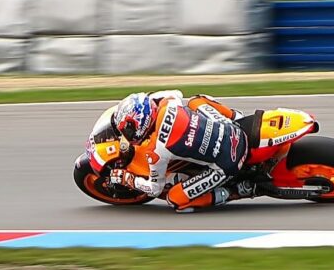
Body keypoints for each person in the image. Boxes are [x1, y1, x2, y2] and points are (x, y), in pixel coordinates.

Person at [108, 90, 256, 213]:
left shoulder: (155, 150)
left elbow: (155, 189)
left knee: (175, 200)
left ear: (141, 125)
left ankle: (236, 191)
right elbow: (175, 92)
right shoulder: (170, 101)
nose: (127, 135)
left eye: (128, 130)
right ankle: (237, 117)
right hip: (233, 129)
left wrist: (127, 178)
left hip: (227, 163)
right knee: (195, 101)